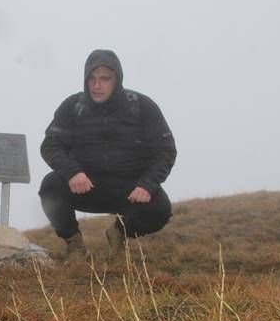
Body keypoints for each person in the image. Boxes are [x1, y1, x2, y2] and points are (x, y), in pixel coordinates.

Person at [39, 49, 177, 259]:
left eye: (105, 79)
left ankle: (119, 233)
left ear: (117, 79)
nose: (97, 85)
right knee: (50, 188)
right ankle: (75, 245)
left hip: (130, 190)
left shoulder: (142, 106)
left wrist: (147, 184)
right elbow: (50, 144)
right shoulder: (73, 106)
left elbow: (165, 151)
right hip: (84, 186)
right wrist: (72, 172)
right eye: (92, 79)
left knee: (160, 210)